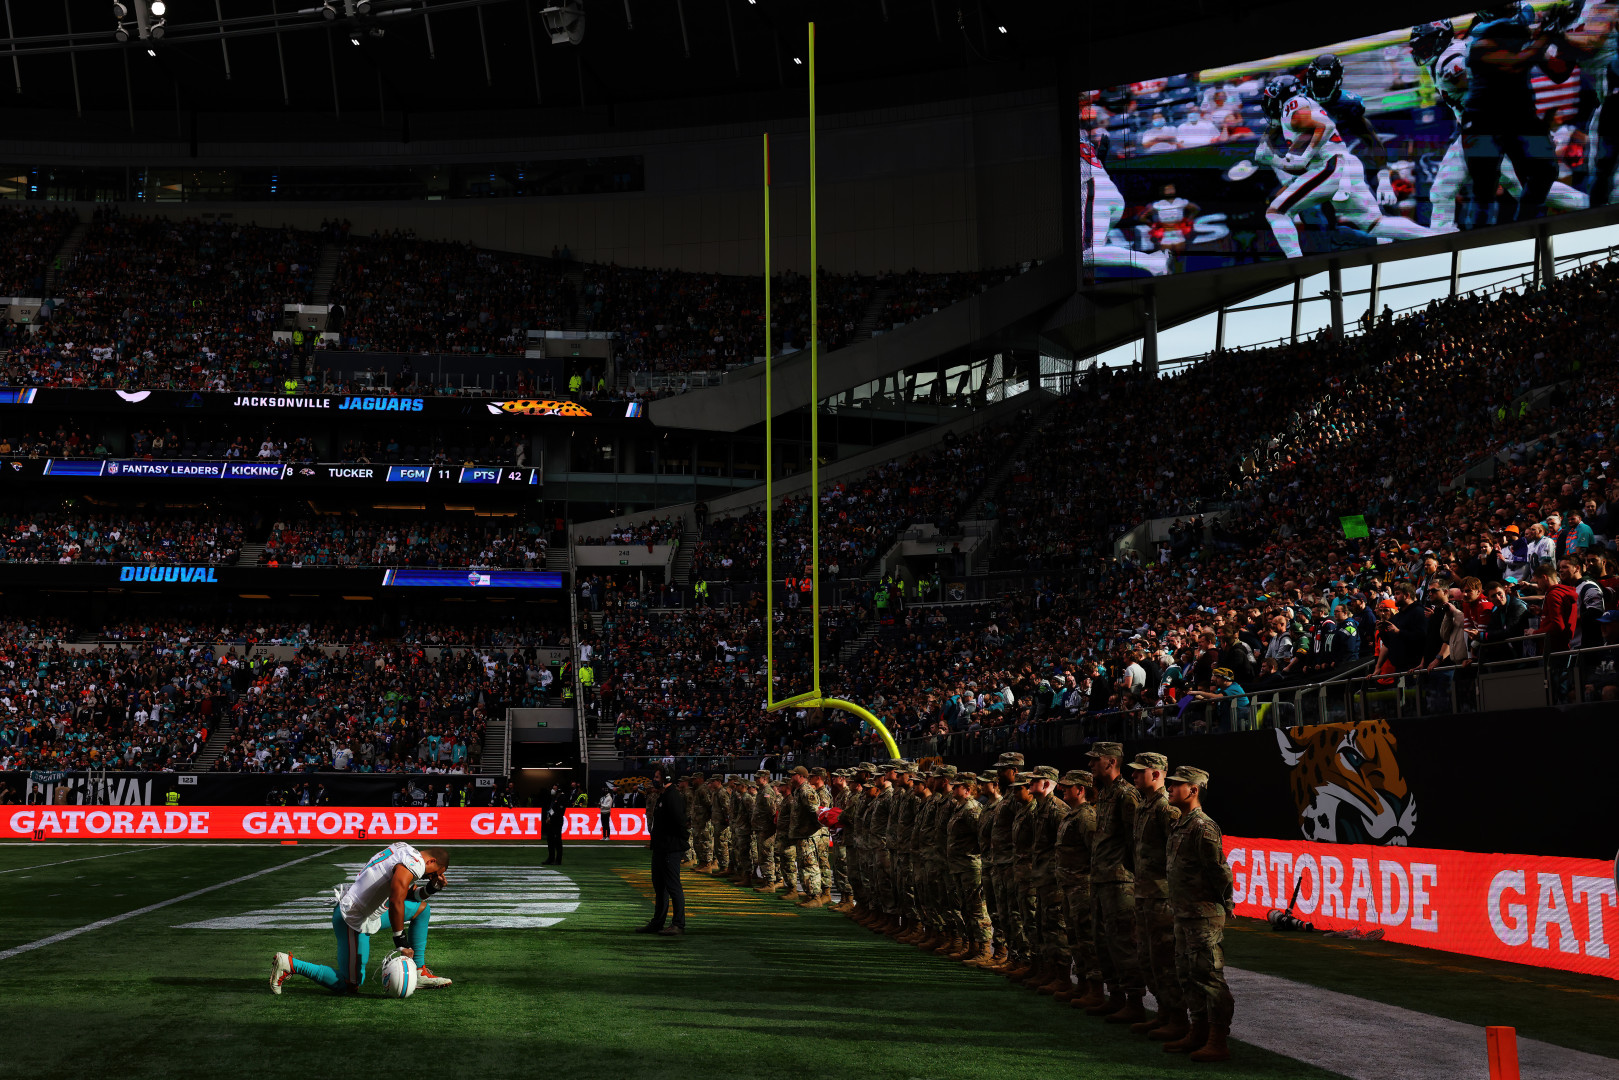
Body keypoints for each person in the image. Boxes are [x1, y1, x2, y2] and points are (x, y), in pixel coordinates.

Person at [270, 842, 452, 994]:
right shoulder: (415, 863)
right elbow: (397, 899)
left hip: (371, 914)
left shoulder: (404, 849)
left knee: (421, 909)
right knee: (350, 984)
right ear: (432, 860)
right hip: (353, 919)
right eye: (435, 873)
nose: (431, 876)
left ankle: (419, 971)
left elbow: (409, 894)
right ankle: (291, 964)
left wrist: (432, 888)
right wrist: (401, 942)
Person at [1164, 766, 1235, 1063]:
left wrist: (1225, 903)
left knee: (1208, 976)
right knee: (1187, 974)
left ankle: (1217, 1040)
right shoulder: (1182, 824)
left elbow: (1219, 872)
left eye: (1176, 785)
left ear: (1192, 790)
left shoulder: (1203, 827)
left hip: (1203, 913)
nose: (1169, 789)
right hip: (1184, 912)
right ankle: (1199, 1031)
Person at [1126, 751, 1184, 1040]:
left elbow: (1176, 857)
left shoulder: (1166, 809)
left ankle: (1176, 1017)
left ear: (1157, 774)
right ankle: (1163, 1012)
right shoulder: (1144, 806)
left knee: (1164, 959)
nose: (1133, 775)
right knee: (1147, 958)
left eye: (1139, 771)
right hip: (1144, 893)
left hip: (1162, 898)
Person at [638, 771, 688, 936]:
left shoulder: (672, 797)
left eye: (657, 777)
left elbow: (680, 823)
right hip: (660, 848)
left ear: (666, 779)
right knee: (659, 887)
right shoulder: (664, 796)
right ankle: (658, 922)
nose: (654, 780)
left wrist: (678, 844)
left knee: (673, 887)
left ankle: (678, 924)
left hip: (669, 848)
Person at [543, 791, 566, 865]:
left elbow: (559, 811)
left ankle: (558, 860)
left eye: (555, 787)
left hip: (556, 822)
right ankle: (551, 858)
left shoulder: (562, 798)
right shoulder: (555, 798)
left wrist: (551, 818)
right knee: (550, 840)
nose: (553, 789)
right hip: (552, 821)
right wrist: (549, 816)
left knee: (557, 841)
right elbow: (552, 809)